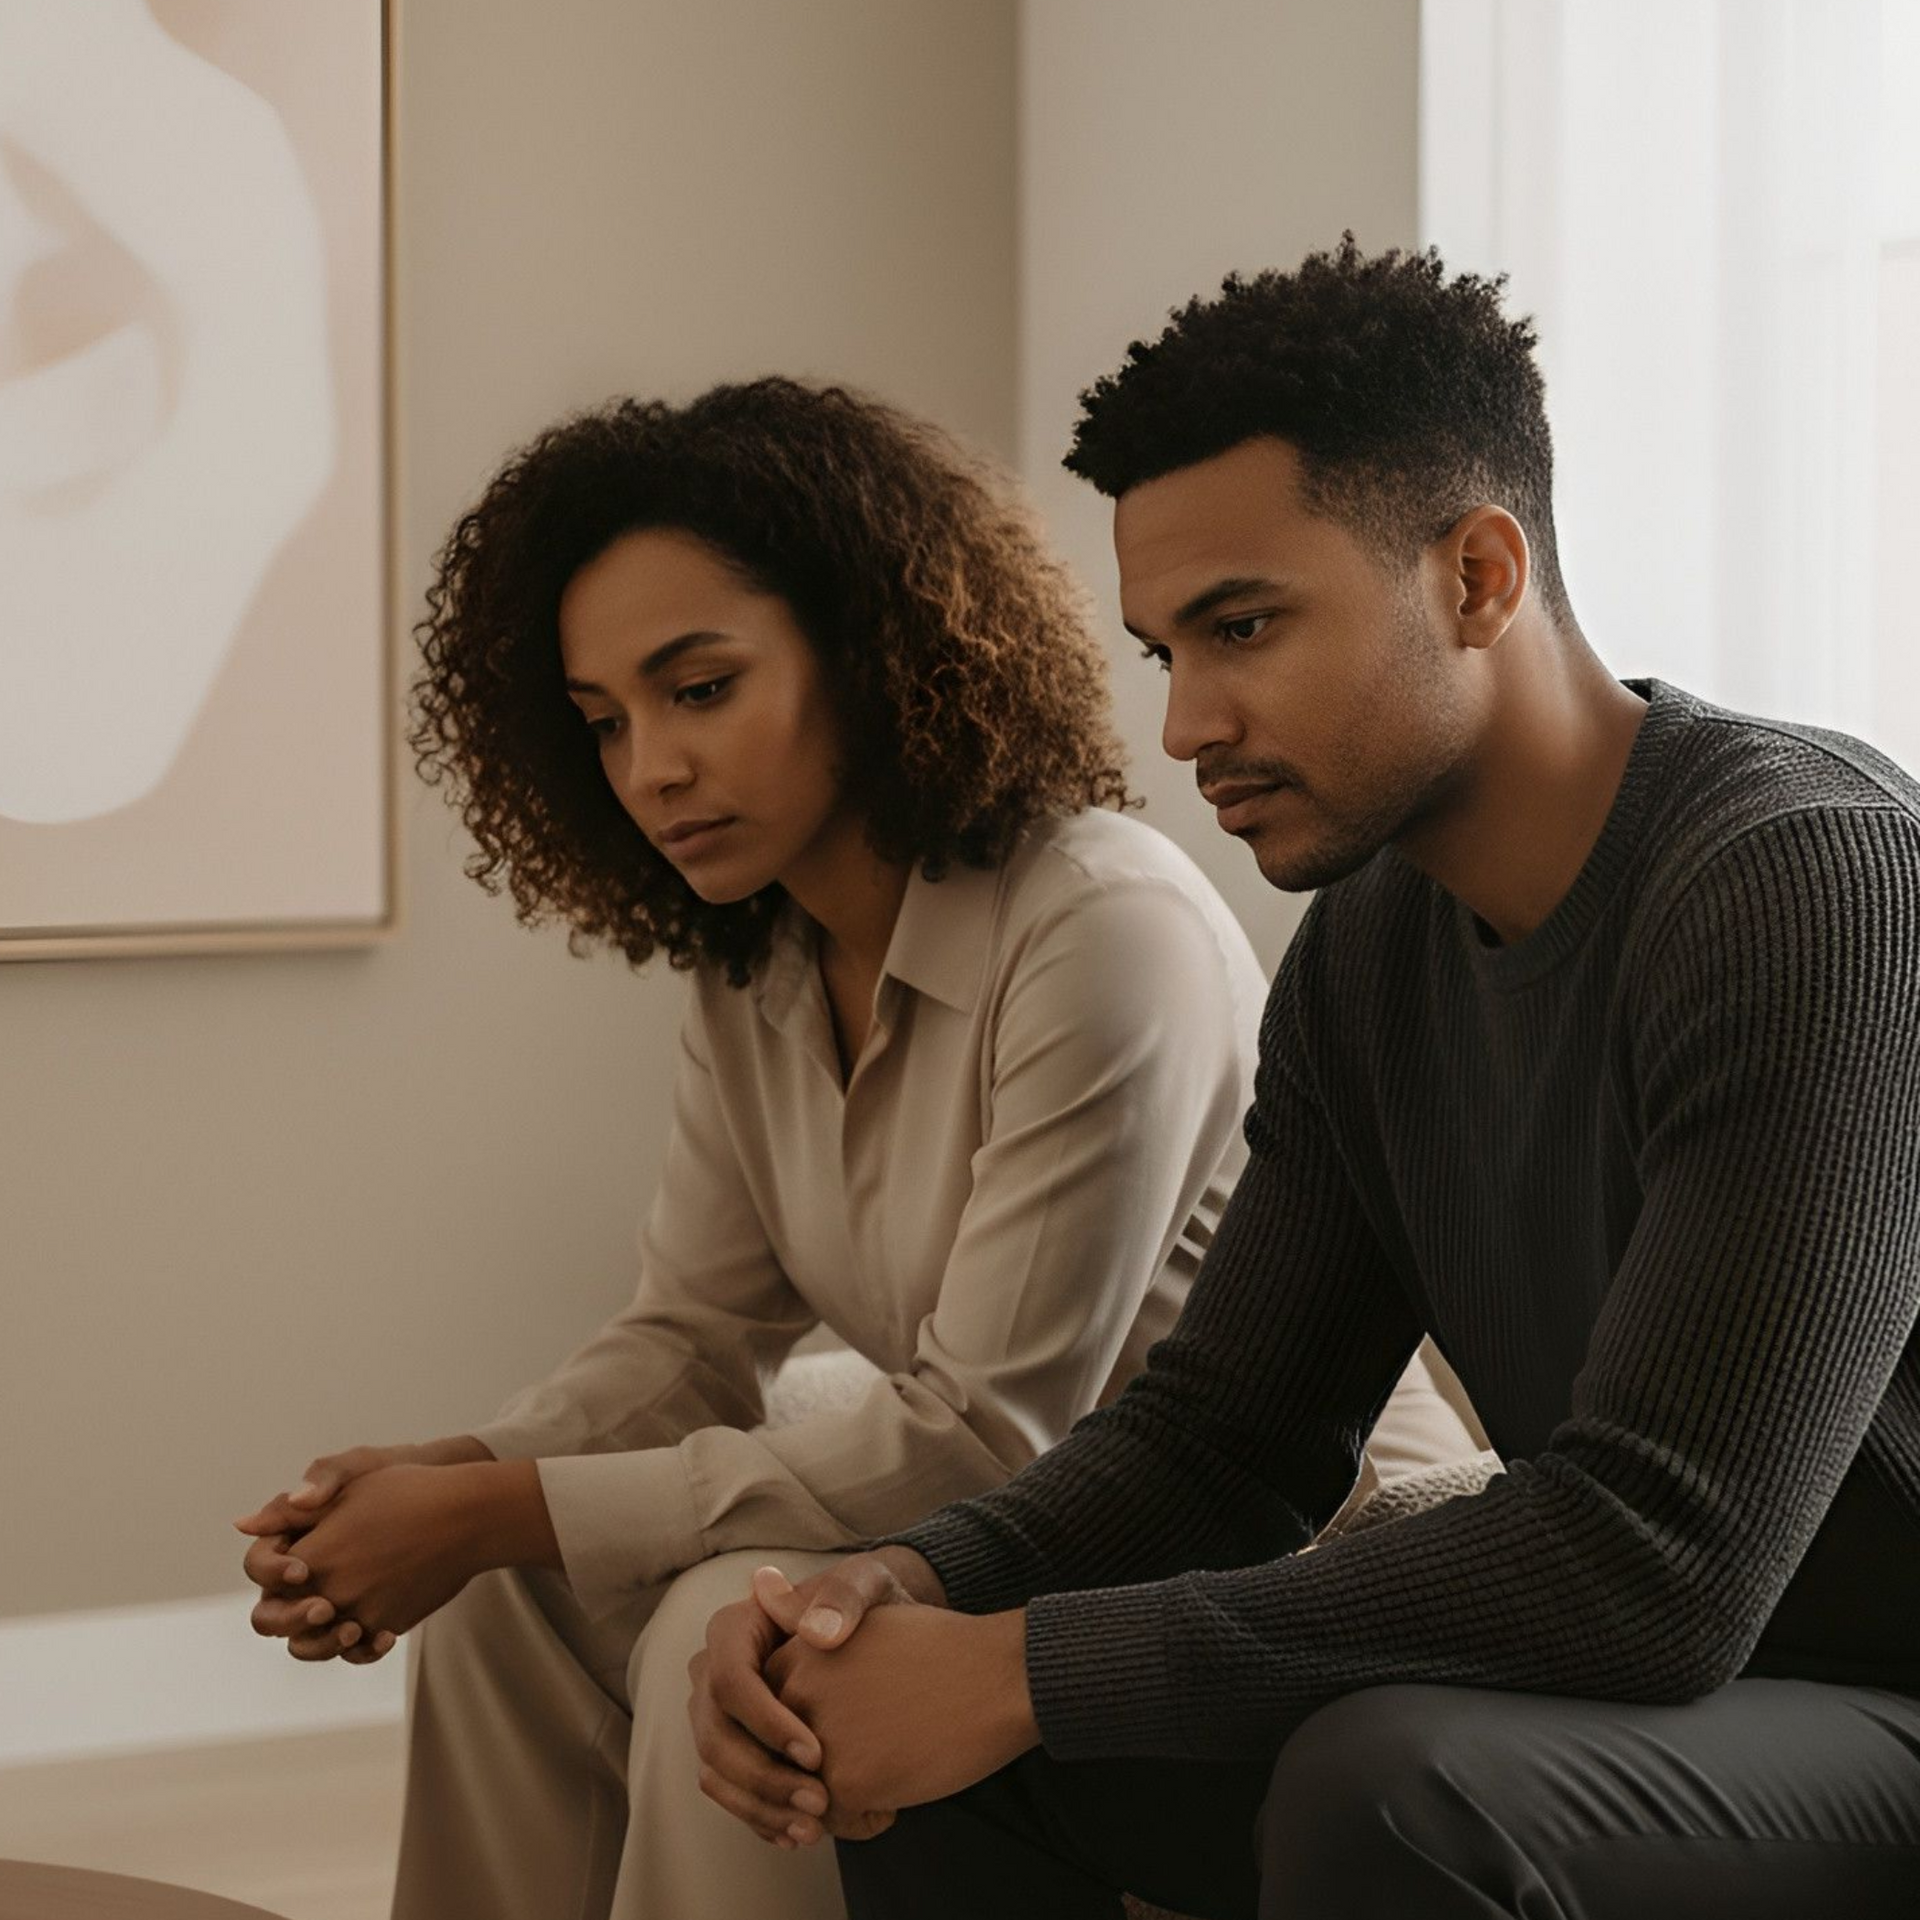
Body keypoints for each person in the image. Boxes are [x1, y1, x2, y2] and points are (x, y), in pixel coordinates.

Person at [689, 241, 1920, 1918]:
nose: (1188, 723)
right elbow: (1228, 1441)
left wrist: (1030, 1666)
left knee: (1395, 1786)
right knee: (923, 1735)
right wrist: (905, 1591)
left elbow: (1663, 1561)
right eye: (1164, 652)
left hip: (1873, 1698)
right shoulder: (1365, 956)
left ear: (1479, 578)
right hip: (1702, 1690)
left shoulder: (1806, 884)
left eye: (1245, 626)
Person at [228, 376, 1481, 1920]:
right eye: (605, 723)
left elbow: (992, 1433)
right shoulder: (754, 961)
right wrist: (474, 1474)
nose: (651, 771)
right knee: (506, 1605)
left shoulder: (1103, 922)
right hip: (988, 1508)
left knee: (720, 1626)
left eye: (699, 690)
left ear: (875, 650)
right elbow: (692, 1332)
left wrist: (496, 1507)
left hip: (1235, 1543)